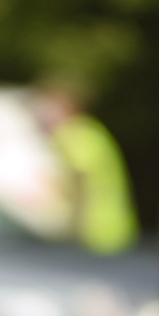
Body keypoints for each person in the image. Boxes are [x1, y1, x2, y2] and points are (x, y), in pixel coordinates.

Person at [35, 87, 140, 254]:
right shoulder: (92, 131)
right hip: (113, 231)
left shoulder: (72, 135)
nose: (42, 116)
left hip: (95, 234)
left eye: (48, 110)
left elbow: (76, 182)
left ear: (66, 109)